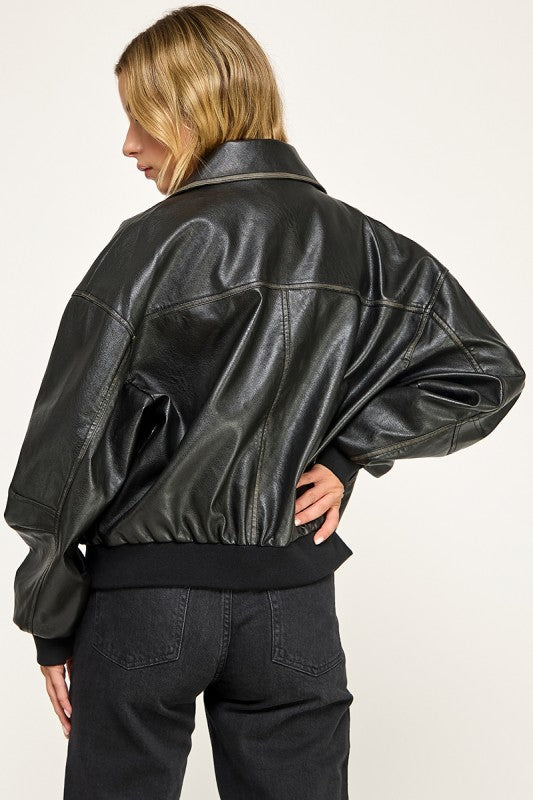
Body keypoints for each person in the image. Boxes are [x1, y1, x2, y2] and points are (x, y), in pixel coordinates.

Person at [3, 6, 526, 800]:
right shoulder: (360, 243)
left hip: (147, 603)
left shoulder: (148, 247)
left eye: (141, 117)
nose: (129, 145)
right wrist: (346, 454)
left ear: (192, 109)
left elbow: (64, 461)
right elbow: (483, 371)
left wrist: (49, 618)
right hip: (293, 606)